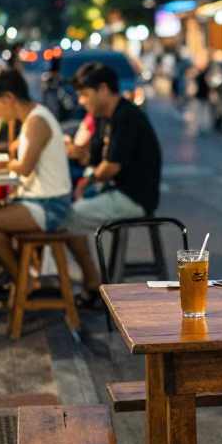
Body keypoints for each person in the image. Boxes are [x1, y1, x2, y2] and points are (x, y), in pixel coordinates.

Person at [64, 63, 162, 303]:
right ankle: (90, 280)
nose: (81, 101)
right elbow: (94, 159)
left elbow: (110, 168)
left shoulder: (126, 116)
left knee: (63, 220)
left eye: (85, 94)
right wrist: (75, 152)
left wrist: (86, 180)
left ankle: (92, 282)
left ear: (104, 89)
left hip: (134, 198)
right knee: (63, 210)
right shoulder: (103, 117)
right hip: (114, 191)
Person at [0, 69, 73, 293]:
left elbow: (25, 167)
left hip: (50, 206)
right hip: (40, 200)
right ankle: (20, 275)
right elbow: (16, 153)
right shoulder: (32, 118)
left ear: (8, 98)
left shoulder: (37, 120)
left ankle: (21, 279)